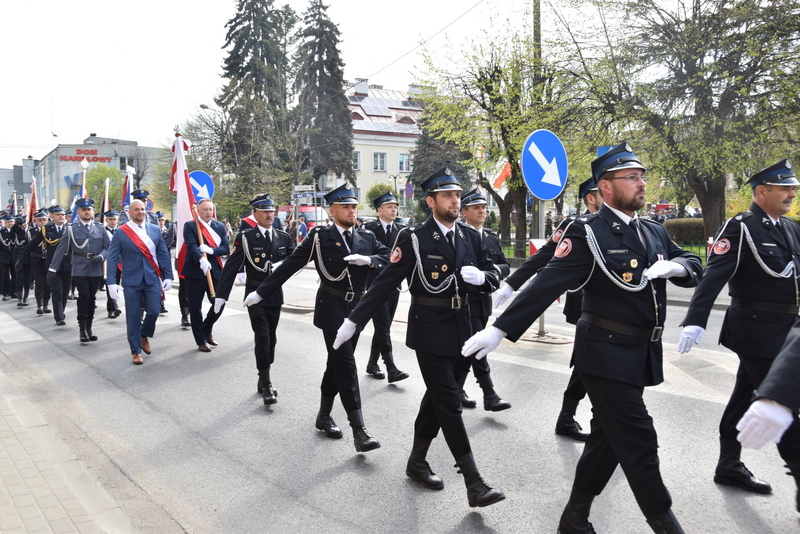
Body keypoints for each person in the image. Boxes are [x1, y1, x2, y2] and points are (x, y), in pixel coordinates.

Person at [462, 142, 702, 532]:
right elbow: (548, 282)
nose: (641, 183)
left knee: (607, 440)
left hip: (641, 353)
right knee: (640, 442)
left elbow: (693, 263)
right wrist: (499, 328)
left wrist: (675, 266)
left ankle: (574, 518)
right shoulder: (587, 232)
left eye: (642, 176)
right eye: (632, 177)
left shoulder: (654, 230)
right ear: (606, 187)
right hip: (604, 354)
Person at [333, 168, 505, 507]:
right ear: (431, 201)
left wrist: (483, 277)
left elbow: (498, 271)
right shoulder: (414, 238)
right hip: (429, 331)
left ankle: (417, 461)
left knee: (438, 400)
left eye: (457, 195)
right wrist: (353, 320)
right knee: (450, 403)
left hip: (464, 328)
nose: (456, 200)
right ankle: (474, 482)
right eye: (447, 196)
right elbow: (384, 282)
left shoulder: (471, 237)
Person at [678, 159, 800, 496]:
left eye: (792, 188)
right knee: (781, 400)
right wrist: (695, 320)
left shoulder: (789, 228)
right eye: (785, 188)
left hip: (786, 331)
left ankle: (729, 464)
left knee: (745, 394)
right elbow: (714, 275)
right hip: (755, 330)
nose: (791, 193)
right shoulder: (742, 226)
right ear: (762, 192)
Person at [244, 184, 389, 453]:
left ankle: (323, 416)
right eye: (345, 206)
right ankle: (359, 431)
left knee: (335, 365)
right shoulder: (320, 237)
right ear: (332, 211)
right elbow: (291, 264)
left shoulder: (366, 237)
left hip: (357, 310)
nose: (351, 210)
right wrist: (262, 292)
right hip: (332, 308)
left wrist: (368, 260)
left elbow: (389, 258)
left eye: (354, 206)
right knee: (346, 365)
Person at [493, 177, 604, 441]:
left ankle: (574, 417)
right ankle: (577, 418)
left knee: (590, 362)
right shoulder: (575, 226)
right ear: (591, 198)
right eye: (604, 190)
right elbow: (544, 256)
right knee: (591, 361)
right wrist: (512, 283)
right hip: (587, 304)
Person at [215, 194, 295, 405]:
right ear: (255, 214)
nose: (270, 215)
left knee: (273, 338)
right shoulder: (246, 237)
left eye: (272, 211)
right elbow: (232, 266)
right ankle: (267, 383)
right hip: (254, 293)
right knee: (262, 336)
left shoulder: (283, 237)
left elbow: (296, 260)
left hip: (275, 294)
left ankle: (262, 376)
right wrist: (221, 295)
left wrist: (284, 267)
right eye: (265, 211)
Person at [458, 189, 511, 412]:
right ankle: (489, 394)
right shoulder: (458, 235)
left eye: (484, 208)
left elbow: (505, 265)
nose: (482, 211)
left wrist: (488, 274)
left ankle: (455, 389)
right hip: (465, 300)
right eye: (476, 208)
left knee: (468, 348)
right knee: (478, 345)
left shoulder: (490, 236)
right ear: (464, 212)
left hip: (484, 300)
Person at [106, 199, 173, 365]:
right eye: (137, 210)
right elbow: (113, 257)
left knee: (154, 311)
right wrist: (111, 282)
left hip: (151, 278)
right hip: (131, 280)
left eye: (142, 209)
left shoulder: (155, 229)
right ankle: (135, 351)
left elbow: (163, 253)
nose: (140, 212)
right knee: (134, 316)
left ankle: (144, 334)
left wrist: (169, 276)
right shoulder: (122, 232)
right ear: (130, 212)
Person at [362, 191, 409, 383]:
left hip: (394, 284)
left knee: (385, 325)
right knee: (382, 324)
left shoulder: (402, 230)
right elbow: (366, 253)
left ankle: (372, 363)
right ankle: (391, 367)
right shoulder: (368, 229)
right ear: (379, 210)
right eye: (389, 207)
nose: (394, 210)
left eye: (395, 206)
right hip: (375, 283)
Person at [48, 198, 110, 343]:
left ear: (93, 211)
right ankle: (82, 329)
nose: (87, 212)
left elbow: (108, 247)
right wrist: (52, 269)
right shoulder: (71, 228)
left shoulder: (100, 228)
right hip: (79, 268)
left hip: (95, 268)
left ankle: (89, 328)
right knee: (84, 297)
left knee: (92, 298)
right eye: (83, 210)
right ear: (79, 211)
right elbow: (60, 249)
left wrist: (101, 257)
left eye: (89, 209)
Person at [182, 198, 229, 352]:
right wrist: (201, 258)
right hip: (195, 272)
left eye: (211, 210)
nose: (209, 212)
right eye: (205, 210)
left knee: (219, 303)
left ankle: (206, 329)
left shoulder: (219, 226)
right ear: (198, 211)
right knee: (195, 307)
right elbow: (191, 246)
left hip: (214, 271)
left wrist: (211, 251)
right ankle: (200, 340)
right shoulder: (191, 225)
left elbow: (225, 248)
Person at [17, 206, 71, 325]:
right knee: (57, 290)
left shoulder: (70, 228)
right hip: (52, 266)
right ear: (52, 216)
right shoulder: (46, 229)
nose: (61, 216)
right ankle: (59, 317)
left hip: (68, 265)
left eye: (63, 214)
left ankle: (61, 310)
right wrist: (20, 259)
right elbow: (33, 243)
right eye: (58, 214)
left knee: (65, 291)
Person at [17, 211, 51, 314]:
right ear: (35, 221)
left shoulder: (51, 230)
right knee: (39, 283)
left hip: (49, 260)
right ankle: (39, 305)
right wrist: (21, 259)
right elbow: (28, 247)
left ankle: (46, 304)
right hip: (37, 260)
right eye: (40, 220)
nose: (42, 222)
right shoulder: (31, 232)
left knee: (48, 284)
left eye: (44, 220)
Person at [103, 211, 122, 319]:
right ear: (106, 220)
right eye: (110, 219)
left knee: (116, 284)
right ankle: (113, 307)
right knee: (110, 284)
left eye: (114, 219)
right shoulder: (103, 231)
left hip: (120, 262)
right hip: (108, 262)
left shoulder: (122, 231)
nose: (113, 221)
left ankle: (111, 308)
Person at [0, 216, 15, 300]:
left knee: (14, 274)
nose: (10, 223)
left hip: (13, 256)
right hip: (4, 256)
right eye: (8, 222)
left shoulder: (16, 232)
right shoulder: (2, 232)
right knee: (5, 274)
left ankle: (14, 292)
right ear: (5, 223)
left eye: (12, 221)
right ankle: (6, 292)